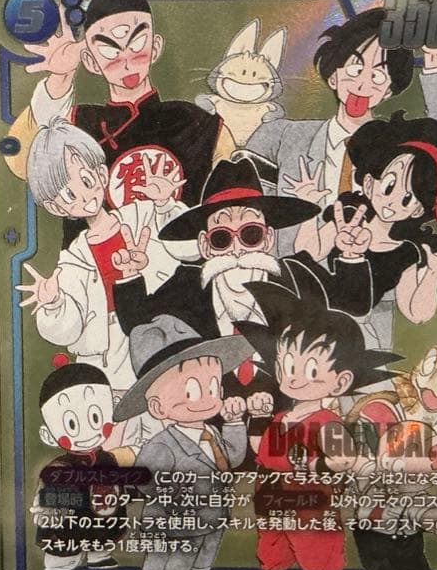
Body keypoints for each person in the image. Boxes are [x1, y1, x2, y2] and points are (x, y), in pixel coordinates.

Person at [112, 158, 380, 457]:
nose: (237, 249)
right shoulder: (188, 283)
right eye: (222, 238)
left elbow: (353, 305)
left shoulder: (294, 276)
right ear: (205, 245)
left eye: (250, 234)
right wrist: (129, 275)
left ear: (268, 238)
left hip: (292, 435)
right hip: (211, 441)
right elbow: (137, 324)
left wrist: (352, 256)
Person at [242, 7, 437, 344]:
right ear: (333, 75)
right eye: (354, 67)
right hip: (289, 300)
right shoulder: (283, 137)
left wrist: (436, 64)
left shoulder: (401, 152)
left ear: (390, 90)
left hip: (368, 315)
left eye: (378, 75)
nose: (363, 83)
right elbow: (242, 198)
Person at [3, 0, 236, 244]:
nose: (126, 60)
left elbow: (235, 193)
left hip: (183, 261)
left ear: (155, 47)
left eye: (137, 43)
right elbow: (20, 159)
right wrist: (60, 79)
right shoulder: (78, 123)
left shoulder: (196, 122)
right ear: (90, 61)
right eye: (109, 49)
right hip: (95, 263)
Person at [18, 117, 195, 449]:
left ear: (102, 175)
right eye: (67, 194)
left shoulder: (142, 215)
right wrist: (54, 303)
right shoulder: (73, 258)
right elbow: (68, 329)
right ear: (56, 206)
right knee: (116, 430)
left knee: (166, 416)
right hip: (107, 351)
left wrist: (164, 206)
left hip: (156, 330)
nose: (83, 196)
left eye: (86, 180)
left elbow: (187, 248)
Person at [236, 264, 401, 570]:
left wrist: (320, 465)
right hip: (271, 493)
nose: (294, 378)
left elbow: (343, 458)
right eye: (287, 366)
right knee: (272, 535)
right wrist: (257, 419)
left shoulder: (326, 421)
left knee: (316, 539)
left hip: (310, 497)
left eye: (310, 369)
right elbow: (260, 450)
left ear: (341, 381)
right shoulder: (280, 417)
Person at [112, 316, 251, 570]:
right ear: (157, 407)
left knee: (206, 547)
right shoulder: (162, 444)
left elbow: (232, 459)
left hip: (213, 513)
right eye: (191, 392)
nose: (206, 399)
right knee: (169, 557)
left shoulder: (212, 432)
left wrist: (234, 424)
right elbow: (145, 481)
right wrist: (176, 490)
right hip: (175, 520)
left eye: (213, 387)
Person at [296, 112, 437, 329]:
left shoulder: (406, 252)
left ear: (418, 209)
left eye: (408, 199)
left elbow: (416, 314)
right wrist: (307, 208)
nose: (392, 202)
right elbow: (307, 252)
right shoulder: (350, 218)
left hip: (353, 330)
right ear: (369, 183)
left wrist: (433, 274)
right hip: (309, 313)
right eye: (389, 186)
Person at [33, 357, 134, 570]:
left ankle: (99, 555)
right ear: (48, 435)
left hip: (104, 513)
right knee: (65, 541)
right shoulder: (60, 467)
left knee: (105, 531)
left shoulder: (108, 459)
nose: (87, 431)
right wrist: (48, 507)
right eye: (71, 424)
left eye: (96, 417)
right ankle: (59, 563)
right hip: (71, 518)